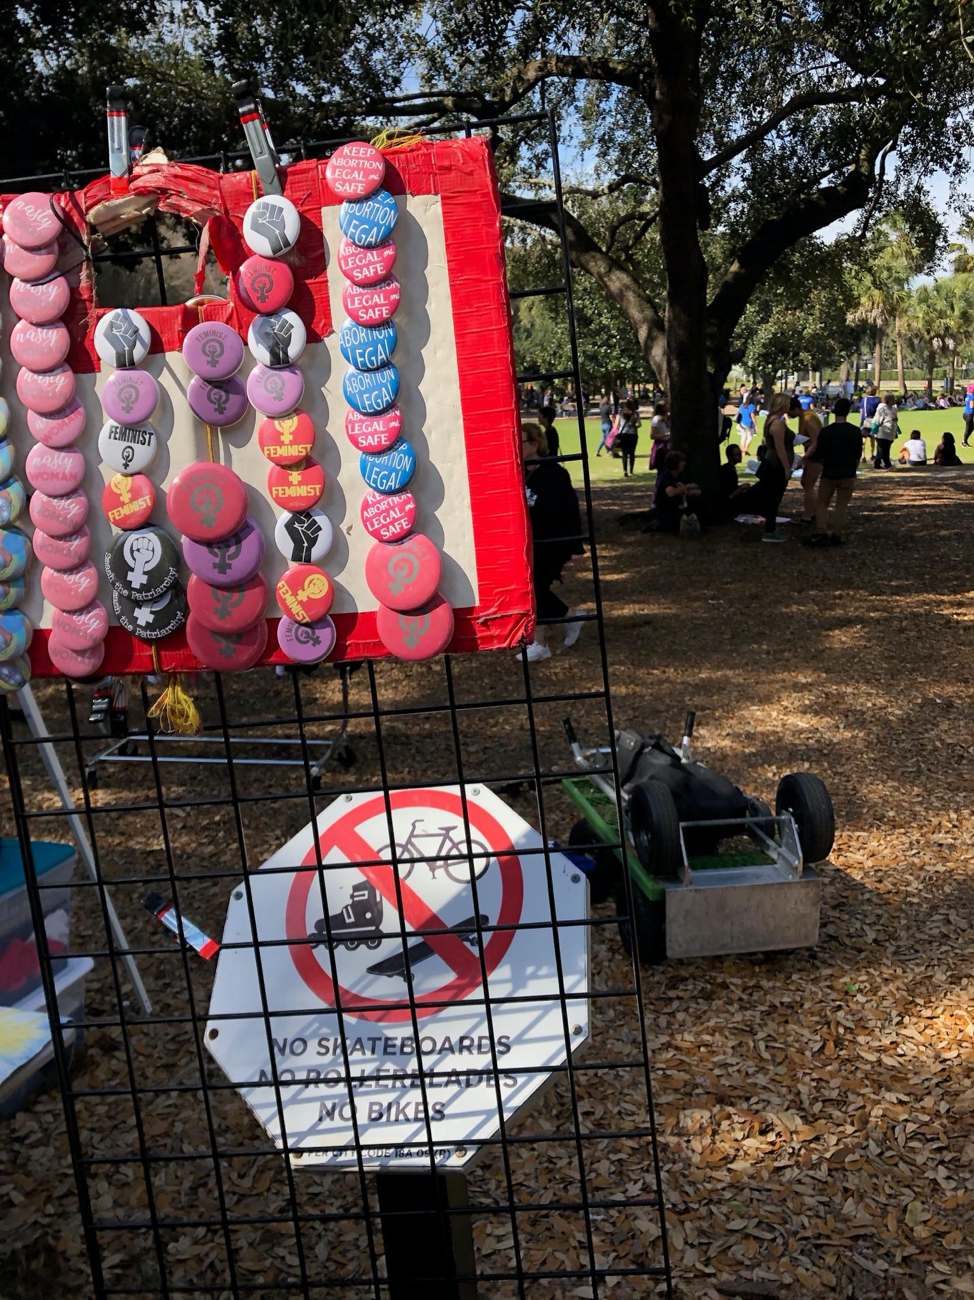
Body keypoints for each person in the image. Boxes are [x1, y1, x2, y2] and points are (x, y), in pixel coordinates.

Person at [519, 423, 584, 662]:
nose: (517, 445)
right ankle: (571, 618)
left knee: (535, 589)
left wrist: (576, 547)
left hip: (553, 543)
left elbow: (570, 511)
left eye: (522, 441)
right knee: (534, 589)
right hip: (531, 544)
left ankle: (539, 643)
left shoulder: (554, 474)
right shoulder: (520, 472)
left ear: (534, 445)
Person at [802, 396, 863, 547]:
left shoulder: (826, 432)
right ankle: (837, 534)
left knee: (822, 503)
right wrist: (853, 469)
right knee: (841, 505)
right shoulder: (855, 431)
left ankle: (821, 531)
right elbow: (857, 454)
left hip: (829, 472)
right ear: (848, 412)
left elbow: (820, 453)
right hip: (848, 471)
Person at [759, 392, 795, 542]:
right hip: (776, 464)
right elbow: (779, 448)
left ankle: (771, 528)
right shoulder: (777, 423)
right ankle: (770, 531)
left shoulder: (771, 420)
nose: (789, 406)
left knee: (773, 497)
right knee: (774, 497)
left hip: (773, 462)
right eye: (787, 403)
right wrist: (787, 468)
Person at [651, 449, 701, 532]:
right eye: (681, 462)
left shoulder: (678, 477)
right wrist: (687, 486)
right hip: (666, 512)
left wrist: (691, 493)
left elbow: (680, 491)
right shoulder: (666, 477)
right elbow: (671, 492)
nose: (684, 464)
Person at [795, 395, 823, 524]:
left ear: (795, 408)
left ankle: (809, 515)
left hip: (817, 454)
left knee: (808, 484)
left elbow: (816, 441)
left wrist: (804, 459)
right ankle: (816, 512)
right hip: (811, 452)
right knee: (805, 482)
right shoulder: (803, 417)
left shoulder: (808, 418)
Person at [615, 400, 641, 477]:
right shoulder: (635, 413)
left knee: (624, 453)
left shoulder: (620, 414)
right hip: (633, 434)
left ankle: (625, 470)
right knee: (632, 453)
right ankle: (631, 470)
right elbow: (639, 424)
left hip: (623, 434)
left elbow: (616, 425)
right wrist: (634, 426)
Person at [872, 393, 898, 469]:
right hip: (882, 432)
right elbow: (877, 420)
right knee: (881, 449)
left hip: (890, 432)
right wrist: (874, 430)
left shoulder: (894, 409)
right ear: (889, 400)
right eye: (893, 399)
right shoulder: (882, 409)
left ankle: (884, 462)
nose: (895, 401)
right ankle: (881, 463)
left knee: (886, 448)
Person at [859, 384, 880, 463]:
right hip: (873, 420)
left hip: (864, 420)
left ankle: (863, 456)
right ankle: (872, 455)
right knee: (872, 438)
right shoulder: (877, 400)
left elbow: (861, 411)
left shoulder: (864, 400)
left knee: (863, 439)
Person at [649, 402, 671, 470]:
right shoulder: (656, 419)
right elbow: (652, 435)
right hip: (661, 448)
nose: (667, 407)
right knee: (662, 469)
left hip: (669, 446)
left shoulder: (668, 418)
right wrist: (666, 434)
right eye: (665, 406)